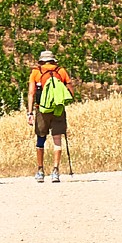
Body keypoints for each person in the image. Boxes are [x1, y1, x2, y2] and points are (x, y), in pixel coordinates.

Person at [26, 50, 76, 183]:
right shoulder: (61, 71)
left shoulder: (36, 72)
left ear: (41, 61)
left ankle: (40, 170)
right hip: (58, 109)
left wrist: (29, 112)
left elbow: (31, 93)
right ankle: (55, 171)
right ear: (53, 60)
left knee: (40, 139)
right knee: (57, 140)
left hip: (41, 109)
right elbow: (71, 92)